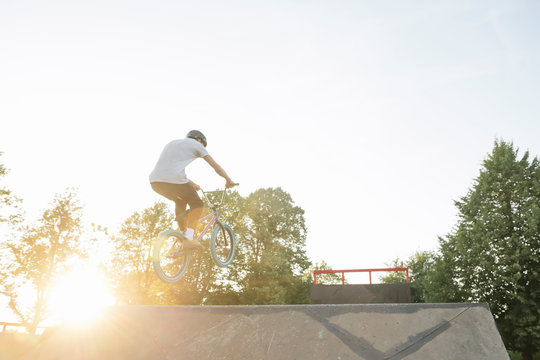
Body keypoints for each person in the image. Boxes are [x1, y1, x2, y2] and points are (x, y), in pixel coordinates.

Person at [149, 130, 236, 250]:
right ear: (199, 140)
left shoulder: (172, 143)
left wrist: (192, 183)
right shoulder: (196, 145)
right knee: (197, 203)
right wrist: (228, 179)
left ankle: (183, 232)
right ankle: (189, 238)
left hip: (155, 181)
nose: (202, 147)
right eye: (203, 145)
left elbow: (170, 170)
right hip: (174, 180)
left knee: (180, 201)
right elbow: (216, 166)